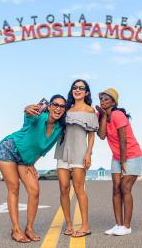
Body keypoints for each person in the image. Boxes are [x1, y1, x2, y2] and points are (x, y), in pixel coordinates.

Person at [0, 95, 66, 243]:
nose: (58, 108)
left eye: (62, 106)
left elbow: (41, 150)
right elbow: (28, 114)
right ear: (50, 106)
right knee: (14, 187)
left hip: (26, 160)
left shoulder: (59, 129)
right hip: (9, 149)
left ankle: (29, 228)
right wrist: (27, 109)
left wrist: (32, 163)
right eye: (55, 104)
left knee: (34, 190)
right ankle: (15, 229)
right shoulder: (38, 116)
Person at [54, 79, 98, 238]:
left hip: (80, 152)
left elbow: (92, 135)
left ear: (86, 92)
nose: (77, 90)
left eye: (81, 88)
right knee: (64, 188)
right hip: (62, 151)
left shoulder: (89, 110)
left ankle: (85, 226)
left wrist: (88, 153)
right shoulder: (66, 109)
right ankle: (69, 224)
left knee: (79, 189)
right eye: (75, 87)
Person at [96, 88, 142, 236]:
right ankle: (118, 225)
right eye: (101, 99)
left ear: (114, 102)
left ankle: (127, 226)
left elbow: (123, 140)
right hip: (117, 156)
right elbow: (102, 136)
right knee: (115, 188)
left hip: (132, 155)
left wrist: (123, 161)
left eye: (106, 99)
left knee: (124, 188)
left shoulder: (118, 115)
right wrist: (103, 117)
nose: (103, 101)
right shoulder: (101, 115)